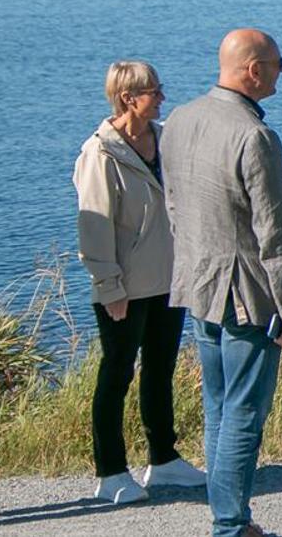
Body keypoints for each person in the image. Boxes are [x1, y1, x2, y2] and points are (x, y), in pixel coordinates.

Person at [161, 29, 282, 537]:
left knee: (218, 405)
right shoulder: (256, 136)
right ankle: (230, 524)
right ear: (254, 70)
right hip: (246, 293)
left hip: (197, 281)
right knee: (244, 410)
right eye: (278, 63)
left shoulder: (178, 119)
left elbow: (173, 204)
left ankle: (227, 517)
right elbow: (274, 231)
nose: (281, 72)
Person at [73, 60, 206, 504]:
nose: (162, 97)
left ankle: (164, 458)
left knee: (161, 371)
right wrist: (109, 287)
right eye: (154, 90)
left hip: (168, 279)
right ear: (128, 98)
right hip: (125, 287)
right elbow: (95, 228)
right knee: (116, 375)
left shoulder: (165, 139)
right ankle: (111, 471)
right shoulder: (100, 153)